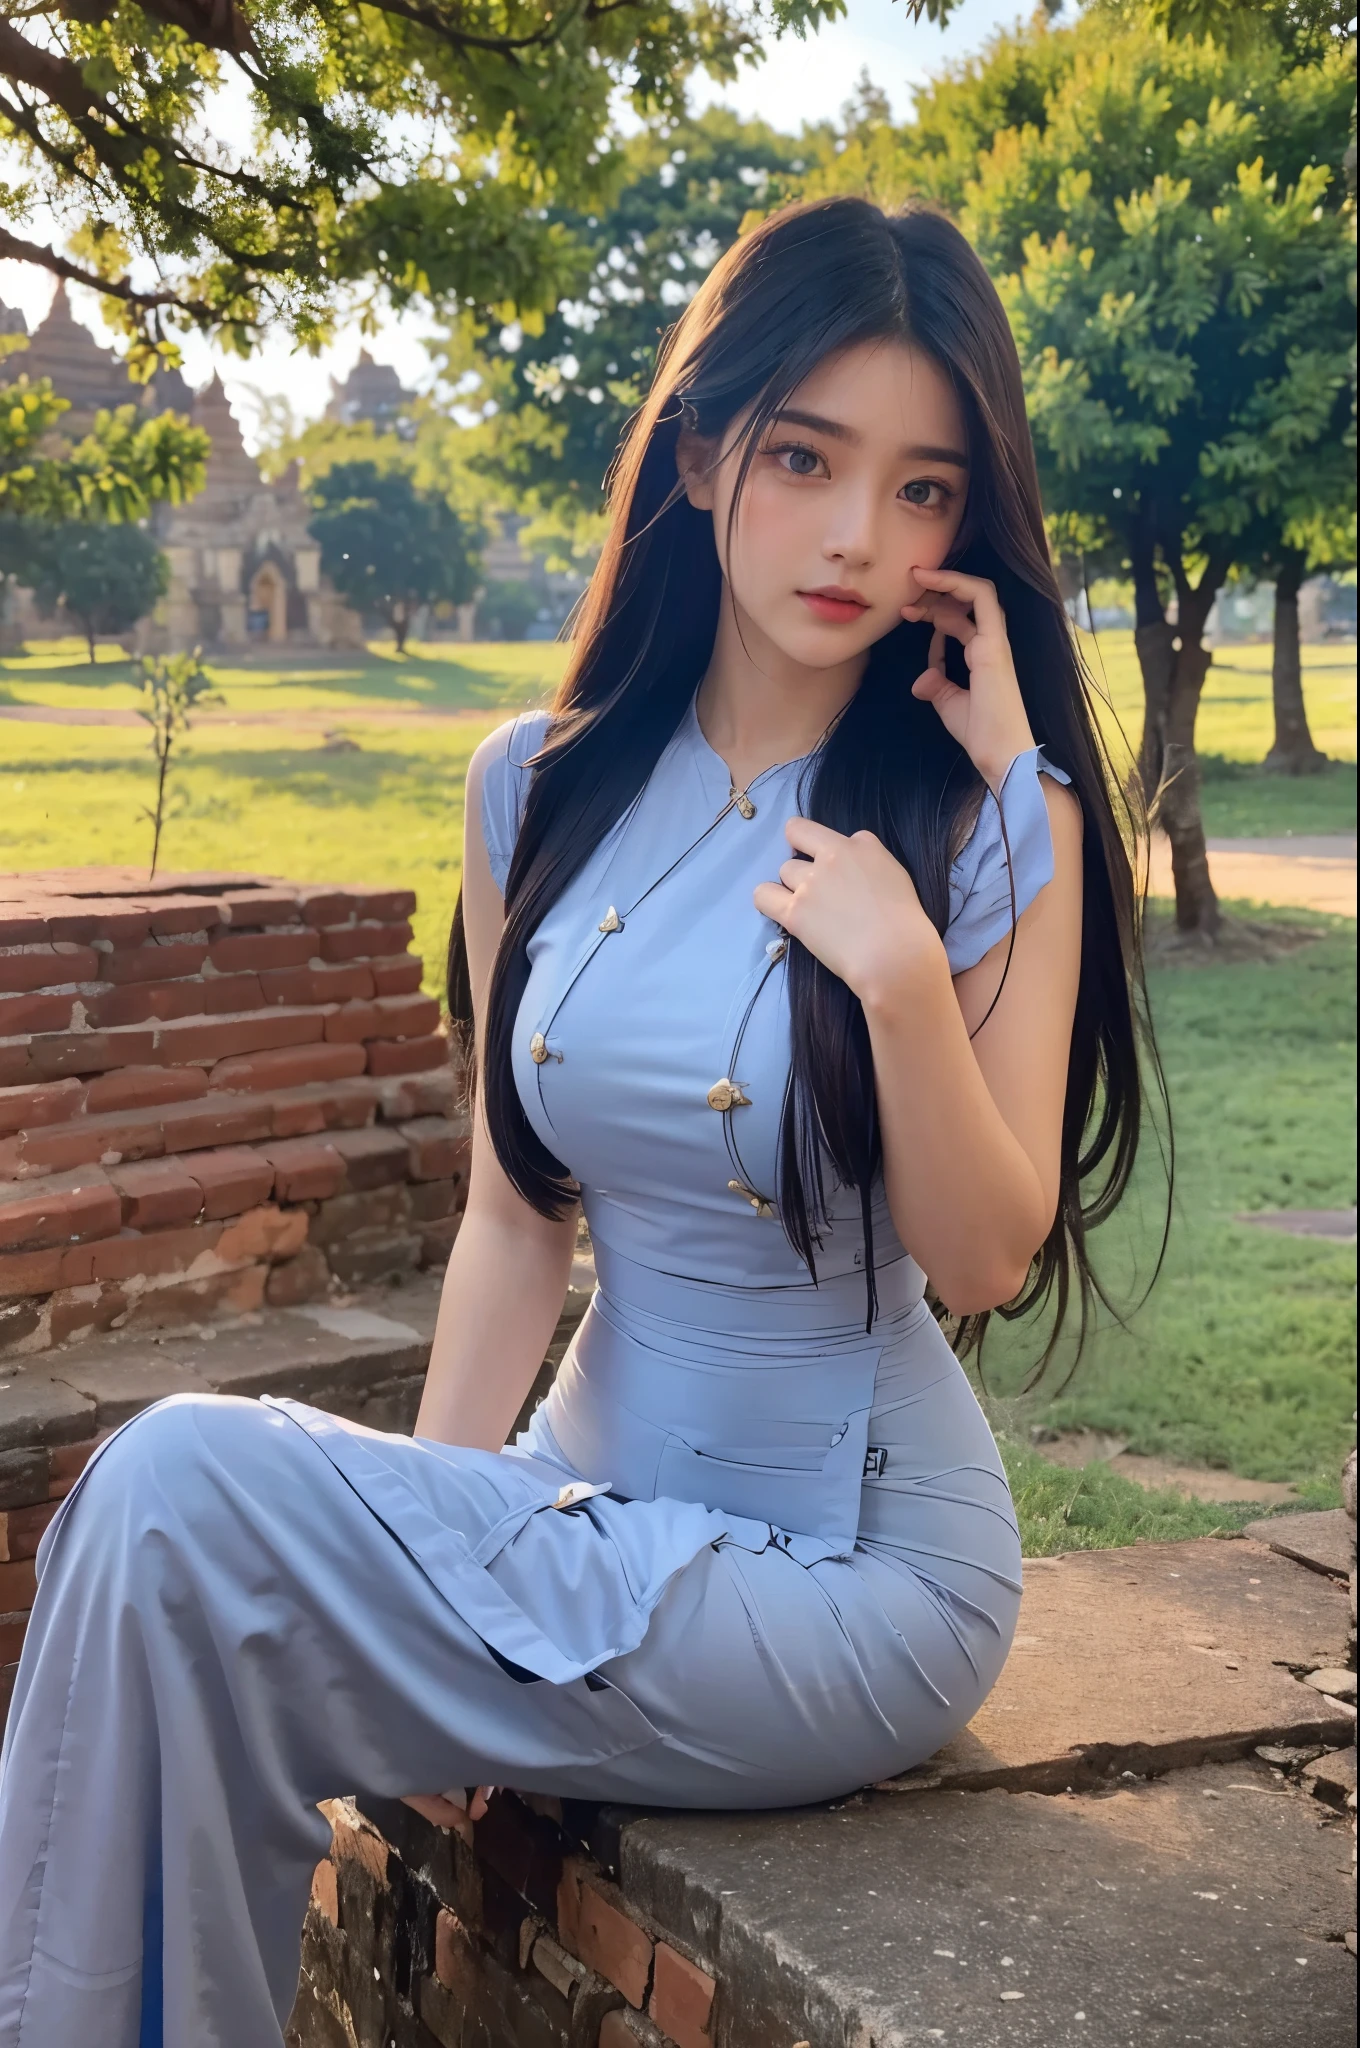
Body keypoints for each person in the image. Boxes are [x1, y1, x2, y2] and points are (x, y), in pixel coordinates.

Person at [0, 197, 1150, 2048]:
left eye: (924, 490)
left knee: (174, 1488)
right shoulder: (529, 788)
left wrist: (909, 976)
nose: (859, 535)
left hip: (853, 1576)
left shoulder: (988, 820)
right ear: (702, 457)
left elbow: (987, 1257)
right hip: (579, 1497)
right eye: (805, 459)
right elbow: (513, 1220)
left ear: (968, 529)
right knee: (154, 1549)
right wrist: (444, 1551)